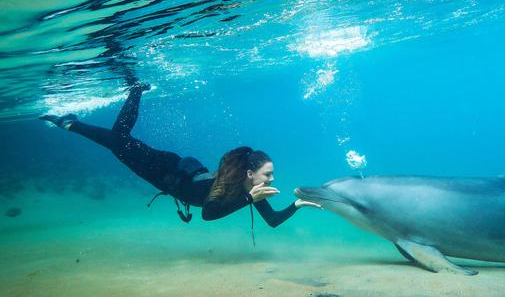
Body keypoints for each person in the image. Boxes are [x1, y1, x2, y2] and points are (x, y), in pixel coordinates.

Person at [39, 83, 321, 230]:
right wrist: (249, 199)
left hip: (174, 169)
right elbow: (208, 214)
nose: (272, 178)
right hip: (165, 171)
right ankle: (129, 93)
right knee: (118, 141)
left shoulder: (253, 190)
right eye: (267, 174)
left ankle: (71, 122)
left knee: (118, 142)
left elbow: (271, 222)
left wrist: (297, 204)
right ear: (250, 173)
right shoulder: (234, 188)